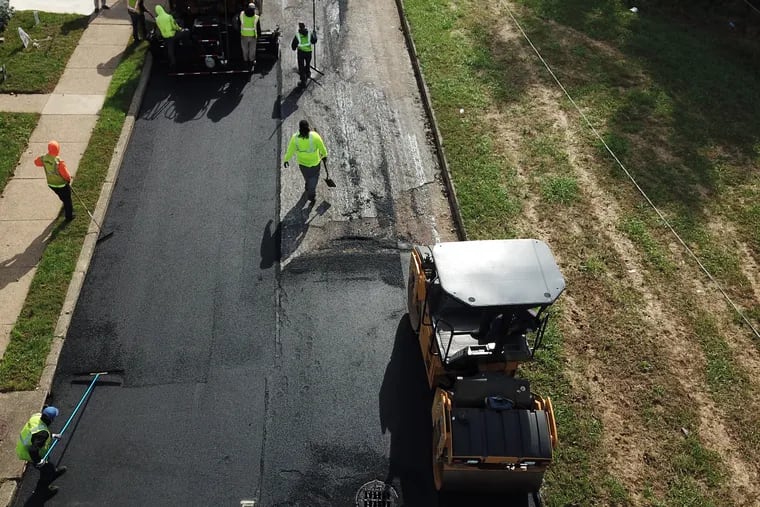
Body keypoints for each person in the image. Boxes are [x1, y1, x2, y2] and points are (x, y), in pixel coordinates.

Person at [16, 406, 67, 498]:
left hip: (25, 446)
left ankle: (52, 472)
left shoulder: (36, 417)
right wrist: (38, 461)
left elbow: (36, 433)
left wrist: (52, 435)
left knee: (48, 466)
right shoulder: (43, 434)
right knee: (45, 471)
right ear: (51, 420)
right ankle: (41, 491)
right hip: (29, 453)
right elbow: (33, 449)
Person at [283, 120, 328, 203]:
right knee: (314, 179)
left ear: (299, 128)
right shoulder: (315, 136)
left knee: (307, 176)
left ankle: (307, 184)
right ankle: (311, 195)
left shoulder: (295, 138)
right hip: (315, 163)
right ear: (308, 127)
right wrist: (324, 155)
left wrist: (286, 159)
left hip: (302, 164)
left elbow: (290, 150)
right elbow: (322, 147)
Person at [34, 140, 74, 221]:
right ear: (58, 149)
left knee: (61, 195)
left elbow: (36, 162)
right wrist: (68, 179)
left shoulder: (44, 158)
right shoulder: (59, 162)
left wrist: (44, 157)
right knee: (68, 199)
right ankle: (69, 216)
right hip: (62, 184)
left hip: (51, 184)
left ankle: (64, 202)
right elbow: (65, 174)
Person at [291, 22, 317, 88]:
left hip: (301, 53)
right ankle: (308, 73)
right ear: (305, 27)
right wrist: (315, 34)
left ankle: (303, 82)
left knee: (301, 67)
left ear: (299, 28)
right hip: (309, 52)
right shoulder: (309, 34)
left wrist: (295, 47)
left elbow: (293, 47)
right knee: (308, 63)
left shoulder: (297, 35)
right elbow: (314, 41)